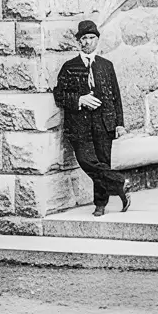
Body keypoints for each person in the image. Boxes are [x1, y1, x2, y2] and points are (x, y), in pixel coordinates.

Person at [54, 19, 129, 216]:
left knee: (103, 162)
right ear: (78, 41)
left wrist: (119, 124)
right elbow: (59, 95)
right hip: (79, 126)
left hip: (104, 124)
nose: (88, 42)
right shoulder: (69, 67)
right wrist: (80, 100)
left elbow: (116, 96)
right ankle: (120, 183)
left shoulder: (106, 66)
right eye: (84, 38)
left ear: (97, 40)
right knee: (86, 160)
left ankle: (100, 205)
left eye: (91, 38)